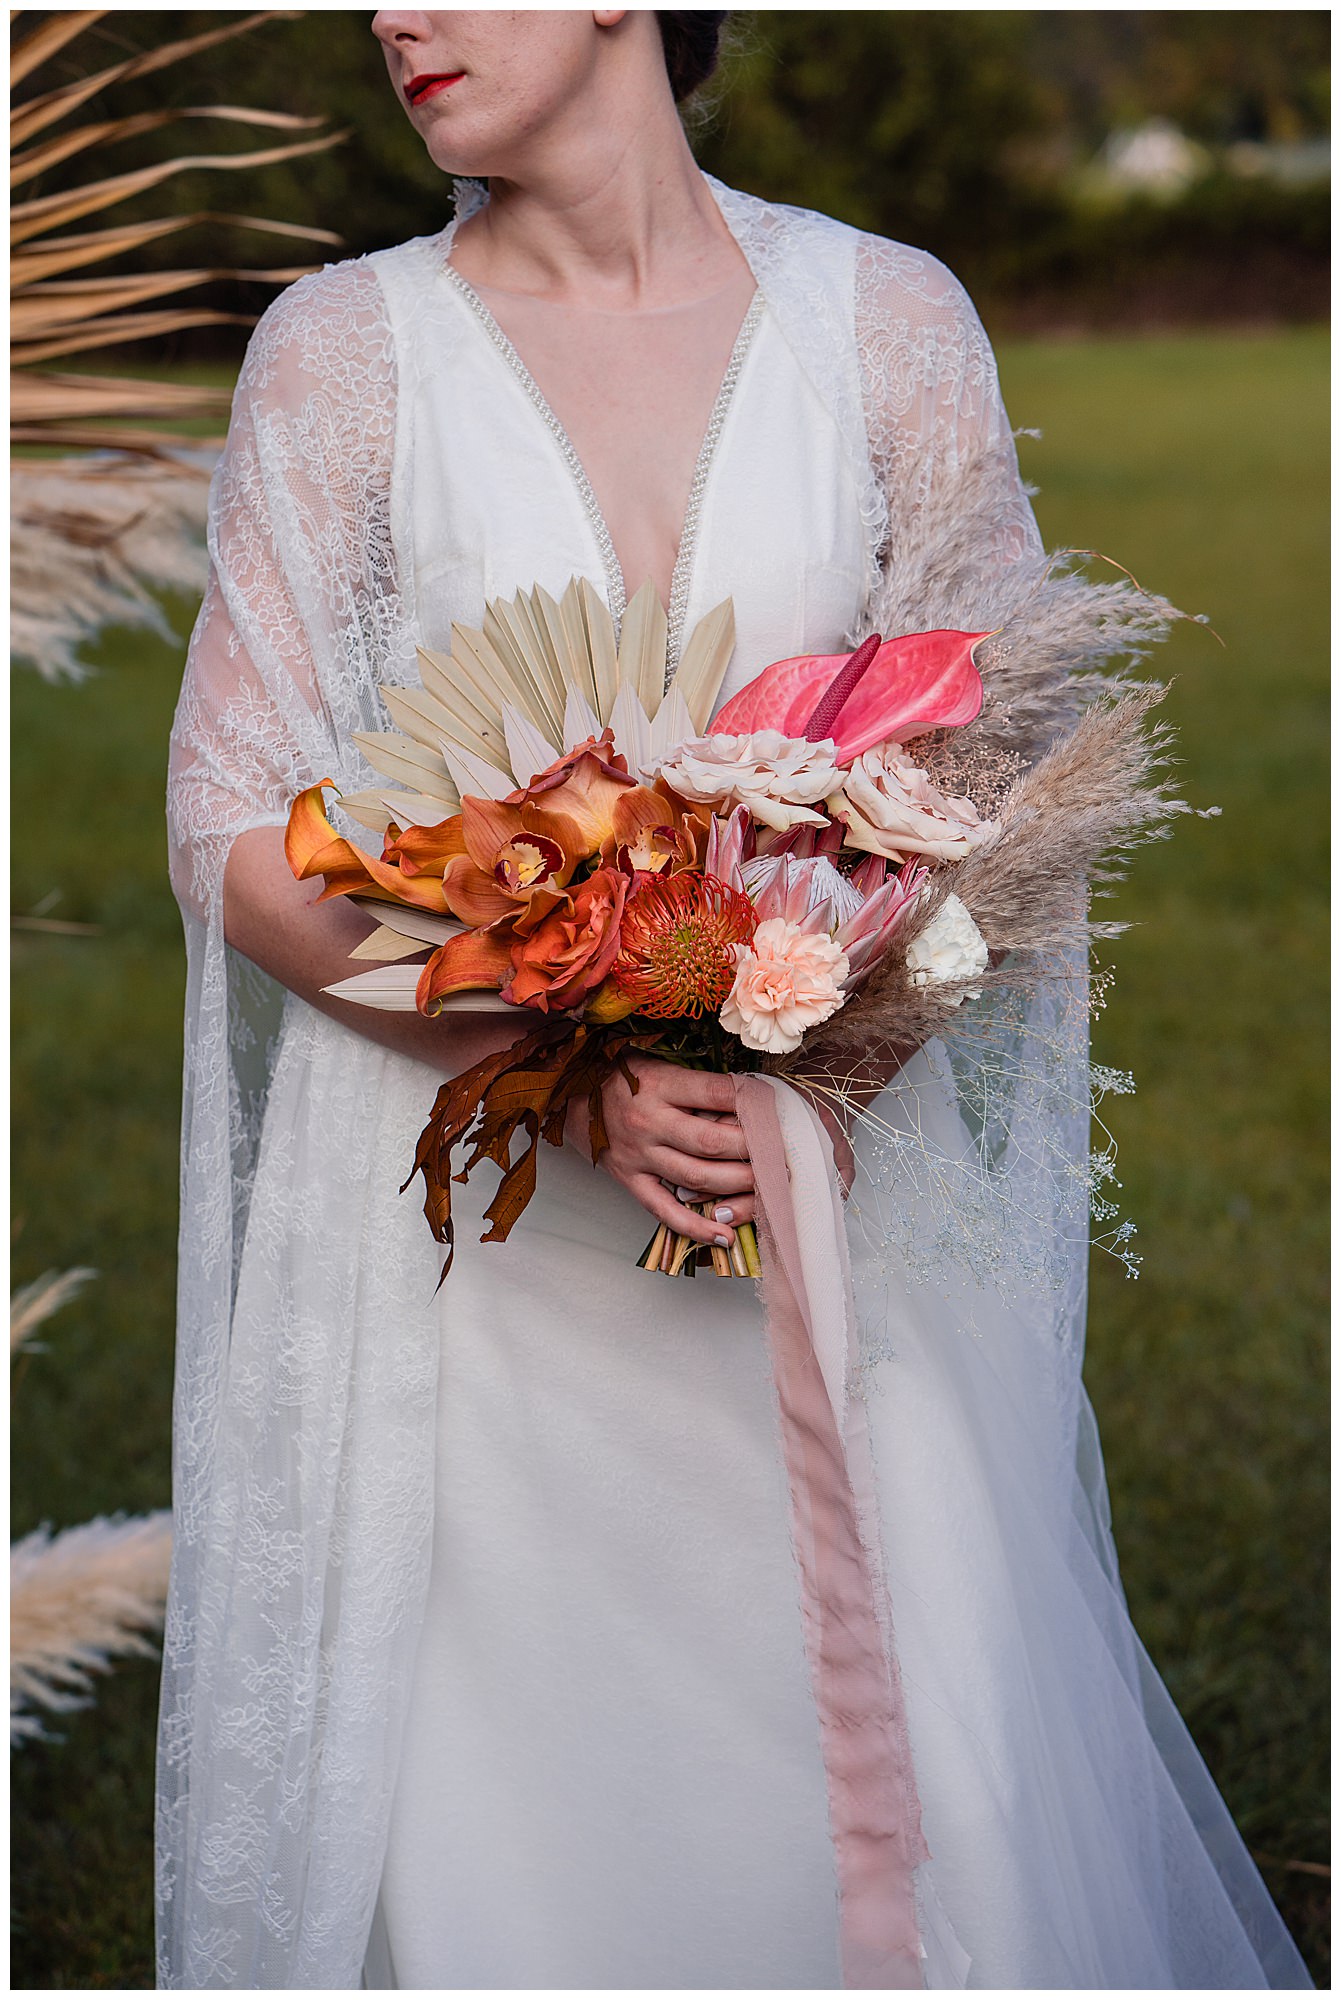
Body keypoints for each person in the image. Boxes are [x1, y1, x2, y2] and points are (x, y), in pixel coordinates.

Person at [157, 10, 1312, 1990]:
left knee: (913, 1811)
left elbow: (996, 799)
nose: (387, 20)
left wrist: (822, 1045)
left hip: (833, 1223)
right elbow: (228, 826)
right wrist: (557, 1058)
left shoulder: (886, 321)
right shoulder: (346, 353)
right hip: (482, 1265)